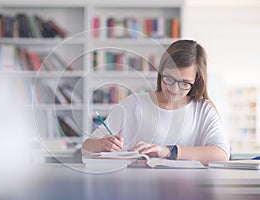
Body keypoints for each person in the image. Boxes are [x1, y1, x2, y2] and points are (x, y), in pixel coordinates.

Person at [82, 40, 230, 165]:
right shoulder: (133, 105)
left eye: (184, 83)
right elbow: (86, 147)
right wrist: (101, 144)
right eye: (169, 78)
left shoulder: (202, 110)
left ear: (196, 81)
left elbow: (222, 153)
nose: (174, 88)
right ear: (161, 72)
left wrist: (167, 151)